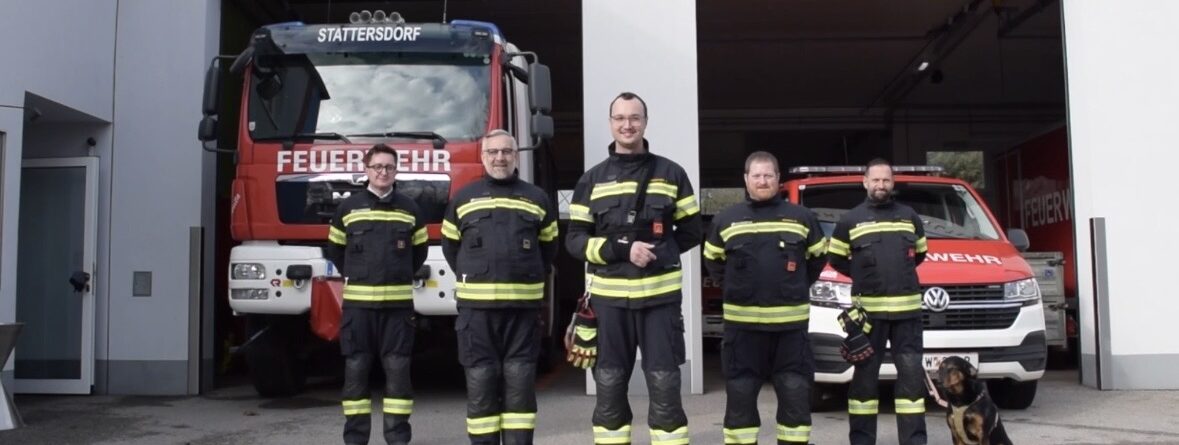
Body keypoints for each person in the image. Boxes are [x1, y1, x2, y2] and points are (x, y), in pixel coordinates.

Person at [565, 91, 703, 445]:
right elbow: (574, 240)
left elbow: (693, 230)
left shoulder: (672, 173)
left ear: (645, 121)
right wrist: (619, 249)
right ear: (611, 124)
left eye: (634, 117)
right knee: (609, 386)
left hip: (660, 302)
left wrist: (658, 252)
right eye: (620, 118)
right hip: (609, 305)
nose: (627, 124)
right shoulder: (591, 180)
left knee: (665, 384)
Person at [441, 130, 559, 445]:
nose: (499, 158)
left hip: (522, 314)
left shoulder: (536, 198)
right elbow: (451, 248)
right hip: (476, 315)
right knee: (481, 386)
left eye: (506, 151)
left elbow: (548, 248)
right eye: (492, 152)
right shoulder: (464, 198)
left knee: (520, 388)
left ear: (515, 155)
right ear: (483, 157)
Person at [702, 152, 826, 445]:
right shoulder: (726, 219)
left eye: (768, 175)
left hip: (790, 332)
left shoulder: (802, 218)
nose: (762, 181)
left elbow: (818, 258)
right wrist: (739, 286)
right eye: (756, 175)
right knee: (741, 400)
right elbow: (713, 261)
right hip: (743, 331)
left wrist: (793, 286)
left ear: (778, 178)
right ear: (745, 180)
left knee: (795, 397)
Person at [325, 144, 427, 445]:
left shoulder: (410, 209)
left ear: (396, 171)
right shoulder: (348, 209)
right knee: (356, 371)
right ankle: (355, 439)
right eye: (378, 167)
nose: (383, 172)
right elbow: (336, 251)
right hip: (358, 309)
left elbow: (418, 253)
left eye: (389, 167)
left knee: (398, 372)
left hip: (398, 309)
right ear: (366, 169)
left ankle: (398, 438)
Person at [827, 158, 929, 445]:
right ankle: (861, 440)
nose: (881, 185)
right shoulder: (850, 220)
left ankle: (914, 441)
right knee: (864, 384)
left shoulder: (909, 216)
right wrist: (863, 274)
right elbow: (836, 258)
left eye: (886, 180)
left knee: (910, 383)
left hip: (907, 317)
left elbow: (920, 253)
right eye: (876, 180)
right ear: (865, 182)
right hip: (868, 319)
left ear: (892, 183)